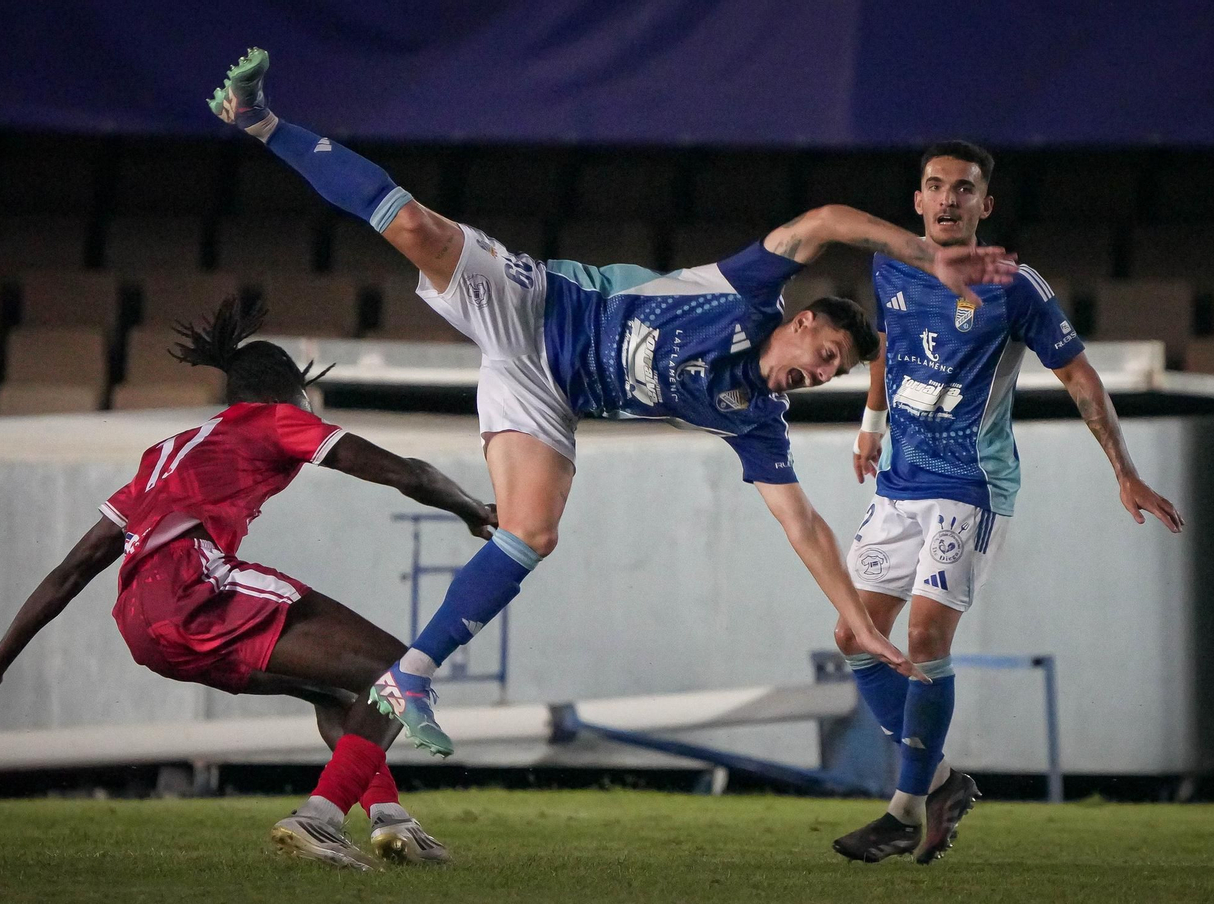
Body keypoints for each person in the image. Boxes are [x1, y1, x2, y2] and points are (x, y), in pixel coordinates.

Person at [208, 48, 1020, 757]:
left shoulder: (751, 416)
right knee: (415, 225)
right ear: (801, 322)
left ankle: (409, 677)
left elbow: (802, 523)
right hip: (540, 308)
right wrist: (927, 256)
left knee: (533, 530)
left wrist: (860, 622)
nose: (817, 376)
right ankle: (262, 120)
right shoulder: (743, 292)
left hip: (544, 391)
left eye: (832, 377)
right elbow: (826, 220)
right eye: (826, 357)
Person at [0, 298, 497, 870]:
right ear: (288, 394)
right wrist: (474, 509)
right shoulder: (276, 421)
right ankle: (320, 817)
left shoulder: (164, 455)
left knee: (337, 692)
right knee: (398, 671)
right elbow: (409, 473)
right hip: (192, 587)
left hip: (143, 627)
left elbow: (73, 569)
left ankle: (392, 823)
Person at [831, 141, 1185, 865]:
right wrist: (871, 428)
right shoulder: (892, 262)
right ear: (919, 201)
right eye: (936, 187)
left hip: (971, 483)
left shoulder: (1011, 283)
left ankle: (902, 809)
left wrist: (1125, 469)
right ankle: (940, 782)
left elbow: (1082, 379)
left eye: (964, 189)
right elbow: (888, 346)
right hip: (900, 479)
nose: (949, 199)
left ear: (984, 206)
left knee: (926, 640)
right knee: (854, 638)